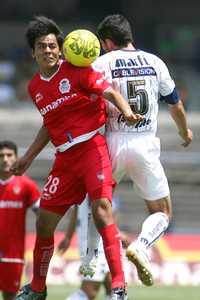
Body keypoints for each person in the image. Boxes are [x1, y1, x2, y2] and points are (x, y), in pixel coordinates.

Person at [11, 16, 142, 300]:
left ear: (61, 49)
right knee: (44, 222)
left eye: (52, 45)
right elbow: (50, 123)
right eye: (41, 46)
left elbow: (108, 91)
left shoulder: (78, 70)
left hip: (93, 149)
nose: (47, 50)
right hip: (65, 160)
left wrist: (128, 112)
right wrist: (28, 158)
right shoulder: (35, 88)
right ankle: (37, 288)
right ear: (32, 52)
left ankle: (119, 287)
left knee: (101, 211)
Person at [80, 14, 193, 287]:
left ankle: (90, 257)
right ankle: (142, 245)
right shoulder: (155, 62)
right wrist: (184, 131)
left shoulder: (101, 63)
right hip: (144, 142)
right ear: (129, 36)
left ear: (107, 42)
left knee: (97, 204)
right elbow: (175, 105)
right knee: (162, 211)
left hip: (110, 142)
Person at [57, 197, 131, 300]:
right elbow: (99, 210)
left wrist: (68, 237)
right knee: (89, 292)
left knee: (114, 287)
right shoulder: (94, 184)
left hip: (97, 240)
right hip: (95, 243)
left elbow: (76, 210)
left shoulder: (83, 187)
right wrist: (116, 232)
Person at [0, 140, 40, 300]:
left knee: (10, 297)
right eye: (1, 155)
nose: (5, 159)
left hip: (13, 254)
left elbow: (43, 214)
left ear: (16, 158)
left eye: (9, 155)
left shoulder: (26, 185)